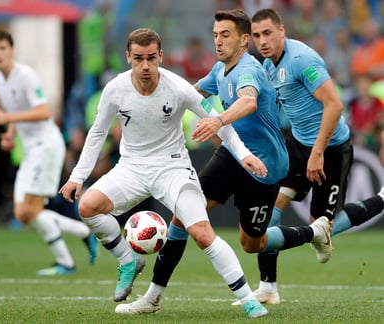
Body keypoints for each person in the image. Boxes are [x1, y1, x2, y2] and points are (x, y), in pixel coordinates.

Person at [114, 10, 333, 317]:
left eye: (225, 35)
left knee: (252, 244)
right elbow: (188, 93)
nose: (218, 41)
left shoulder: (248, 71)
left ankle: (314, 232)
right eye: (215, 34)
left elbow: (248, 101)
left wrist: (218, 120)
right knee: (182, 218)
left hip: (263, 166)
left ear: (244, 40)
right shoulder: (220, 70)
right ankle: (152, 297)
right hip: (232, 155)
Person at [58, 27, 278, 318]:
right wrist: (77, 176)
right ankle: (128, 261)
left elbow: (218, 122)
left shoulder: (179, 88)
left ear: (161, 55)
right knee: (88, 206)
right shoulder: (115, 89)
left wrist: (245, 154)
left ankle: (248, 299)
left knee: (201, 233)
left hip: (172, 167)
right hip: (131, 167)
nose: (145, 65)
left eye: (151, 57)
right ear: (128, 57)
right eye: (138, 58)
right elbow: (97, 132)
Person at [249, 8, 384, 305]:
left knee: (321, 224)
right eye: (257, 35)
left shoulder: (303, 60)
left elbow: (334, 106)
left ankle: (382, 198)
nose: (262, 40)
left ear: (282, 30)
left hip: (332, 148)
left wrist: (318, 153)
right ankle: (268, 288)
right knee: (271, 209)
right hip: (297, 145)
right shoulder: (268, 65)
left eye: (268, 33)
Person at [0, 30, 98, 276]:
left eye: (3, 48)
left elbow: (44, 112)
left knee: (30, 210)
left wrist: (7, 118)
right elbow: (16, 110)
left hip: (47, 146)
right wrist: (10, 133)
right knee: (23, 213)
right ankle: (83, 232)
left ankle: (67, 263)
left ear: (12, 50)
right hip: (31, 150)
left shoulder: (26, 76)